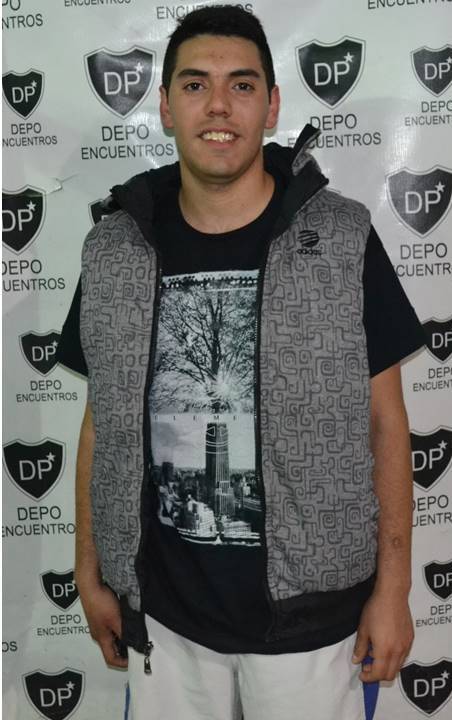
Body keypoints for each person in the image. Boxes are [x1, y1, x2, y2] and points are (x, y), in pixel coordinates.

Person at [57, 5, 426, 719]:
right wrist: (89, 567)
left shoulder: (342, 237)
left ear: (272, 105)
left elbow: (387, 421)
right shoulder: (114, 248)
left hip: (312, 625)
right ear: (166, 107)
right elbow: (101, 421)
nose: (219, 106)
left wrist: (394, 587)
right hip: (164, 620)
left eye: (243, 85)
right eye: (196, 85)